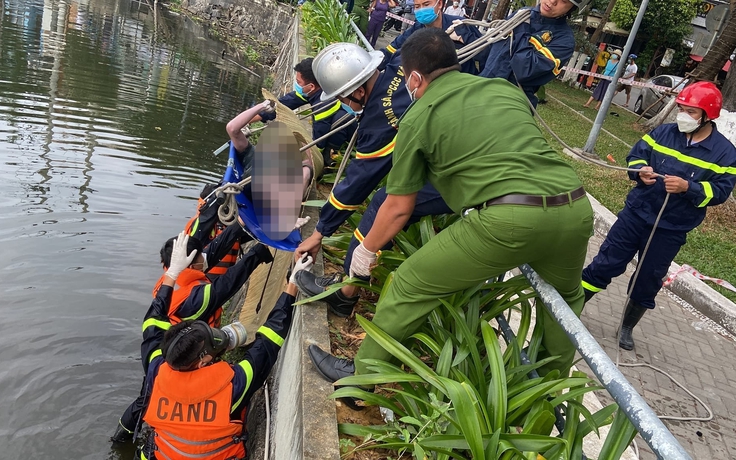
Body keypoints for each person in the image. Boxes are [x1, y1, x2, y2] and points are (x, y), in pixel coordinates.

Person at [308, 29, 594, 386]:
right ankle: (551, 393)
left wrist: (366, 251)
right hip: (576, 208)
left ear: (414, 78)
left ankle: (360, 380)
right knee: (565, 302)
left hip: (509, 219)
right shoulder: (504, 89)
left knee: (409, 283)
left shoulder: (419, 114)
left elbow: (397, 205)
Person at [294, 43, 452, 317]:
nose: (343, 104)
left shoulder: (380, 121)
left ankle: (345, 294)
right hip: (458, 145)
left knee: (384, 205)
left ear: (357, 91)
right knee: (389, 200)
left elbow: (357, 184)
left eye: (342, 98)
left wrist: (319, 233)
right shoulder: (395, 70)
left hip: (460, 174)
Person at [581, 82, 736, 351]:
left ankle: (627, 326)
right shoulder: (663, 132)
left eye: (691, 112)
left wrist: (690, 188)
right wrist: (639, 171)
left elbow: (721, 192)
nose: (683, 116)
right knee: (606, 262)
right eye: (682, 109)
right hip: (636, 214)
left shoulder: (725, 153)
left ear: (708, 115)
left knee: (649, 278)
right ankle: (575, 303)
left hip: (671, 228)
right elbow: (636, 155)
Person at [134, 238, 314, 459]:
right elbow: (268, 341)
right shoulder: (232, 386)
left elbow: (152, 322)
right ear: (202, 362)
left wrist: (172, 272)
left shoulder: (156, 371)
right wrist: (293, 283)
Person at [111, 228, 275, 443]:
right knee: (151, 399)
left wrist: (239, 225)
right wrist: (261, 250)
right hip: (179, 356)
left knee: (148, 397)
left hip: (166, 348)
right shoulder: (197, 298)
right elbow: (230, 283)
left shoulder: (170, 282)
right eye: (200, 255)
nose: (206, 257)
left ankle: (123, 439)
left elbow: (213, 252)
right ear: (190, 263)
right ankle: (123, 439)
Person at [250, 58, 356, 169]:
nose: (297, 85)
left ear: (311, 87)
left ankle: (330, 159)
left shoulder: (323, 106)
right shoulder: (317, 89)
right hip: (335, 123)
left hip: (353, 130)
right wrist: (251, 118)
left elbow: (318, 144)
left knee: (341, 120)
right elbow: (284, 104)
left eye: (299, 82)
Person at [479, 0, 589, 107]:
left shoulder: (564, 41)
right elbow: (488, 51)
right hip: (482, 85)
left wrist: (523, 28)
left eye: (563, 1)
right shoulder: (522, 13)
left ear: (572, 9)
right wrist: (465, 32)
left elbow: (523, 70)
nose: (553, 1)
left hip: (510, 102)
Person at [382, 0, 484, 75]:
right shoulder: (417, 29)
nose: (422, 10)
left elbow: (486, 54)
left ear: (439, 4)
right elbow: (392, 49)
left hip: (463, 85)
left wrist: (465, 37)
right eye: (417, 6)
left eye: (426, 4)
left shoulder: (460, 25)